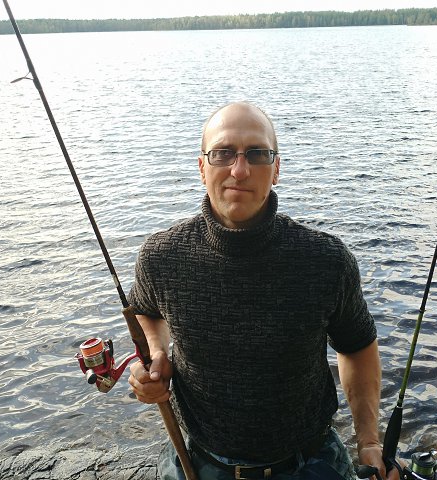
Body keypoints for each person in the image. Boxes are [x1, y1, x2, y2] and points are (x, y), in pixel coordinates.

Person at [128, 101, 395, 480]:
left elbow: (357, 347)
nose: (239, 169)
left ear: (277, 169)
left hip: (311, 463)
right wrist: (156, 353)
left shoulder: (327, 260)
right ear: (202, 167)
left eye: (257, 153)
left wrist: (368, 441)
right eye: (223, 153)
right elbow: (146, 309)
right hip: (198, 462)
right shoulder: (160, 256)